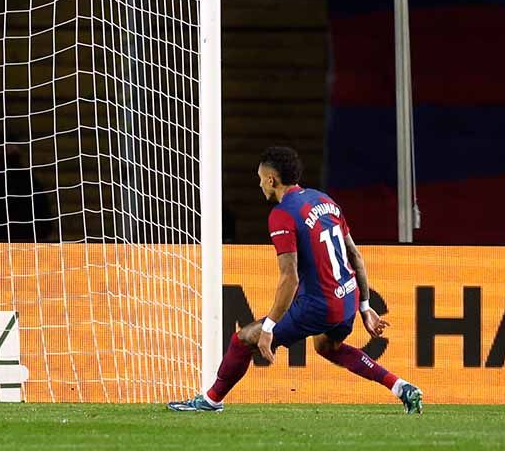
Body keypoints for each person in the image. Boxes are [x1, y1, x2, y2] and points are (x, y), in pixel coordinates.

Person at [168, 146, 423, 413]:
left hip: (319, 304)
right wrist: (364, 306)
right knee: (328, 347)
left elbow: (289, 278)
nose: (259, 184)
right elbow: (355, 255)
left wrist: (267, 329)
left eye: (260, 178)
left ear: (271, 180)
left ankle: (210, 400)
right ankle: (401, 387)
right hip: (348, 296)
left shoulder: (282, 214)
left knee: (243, 339)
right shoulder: (323, 199)